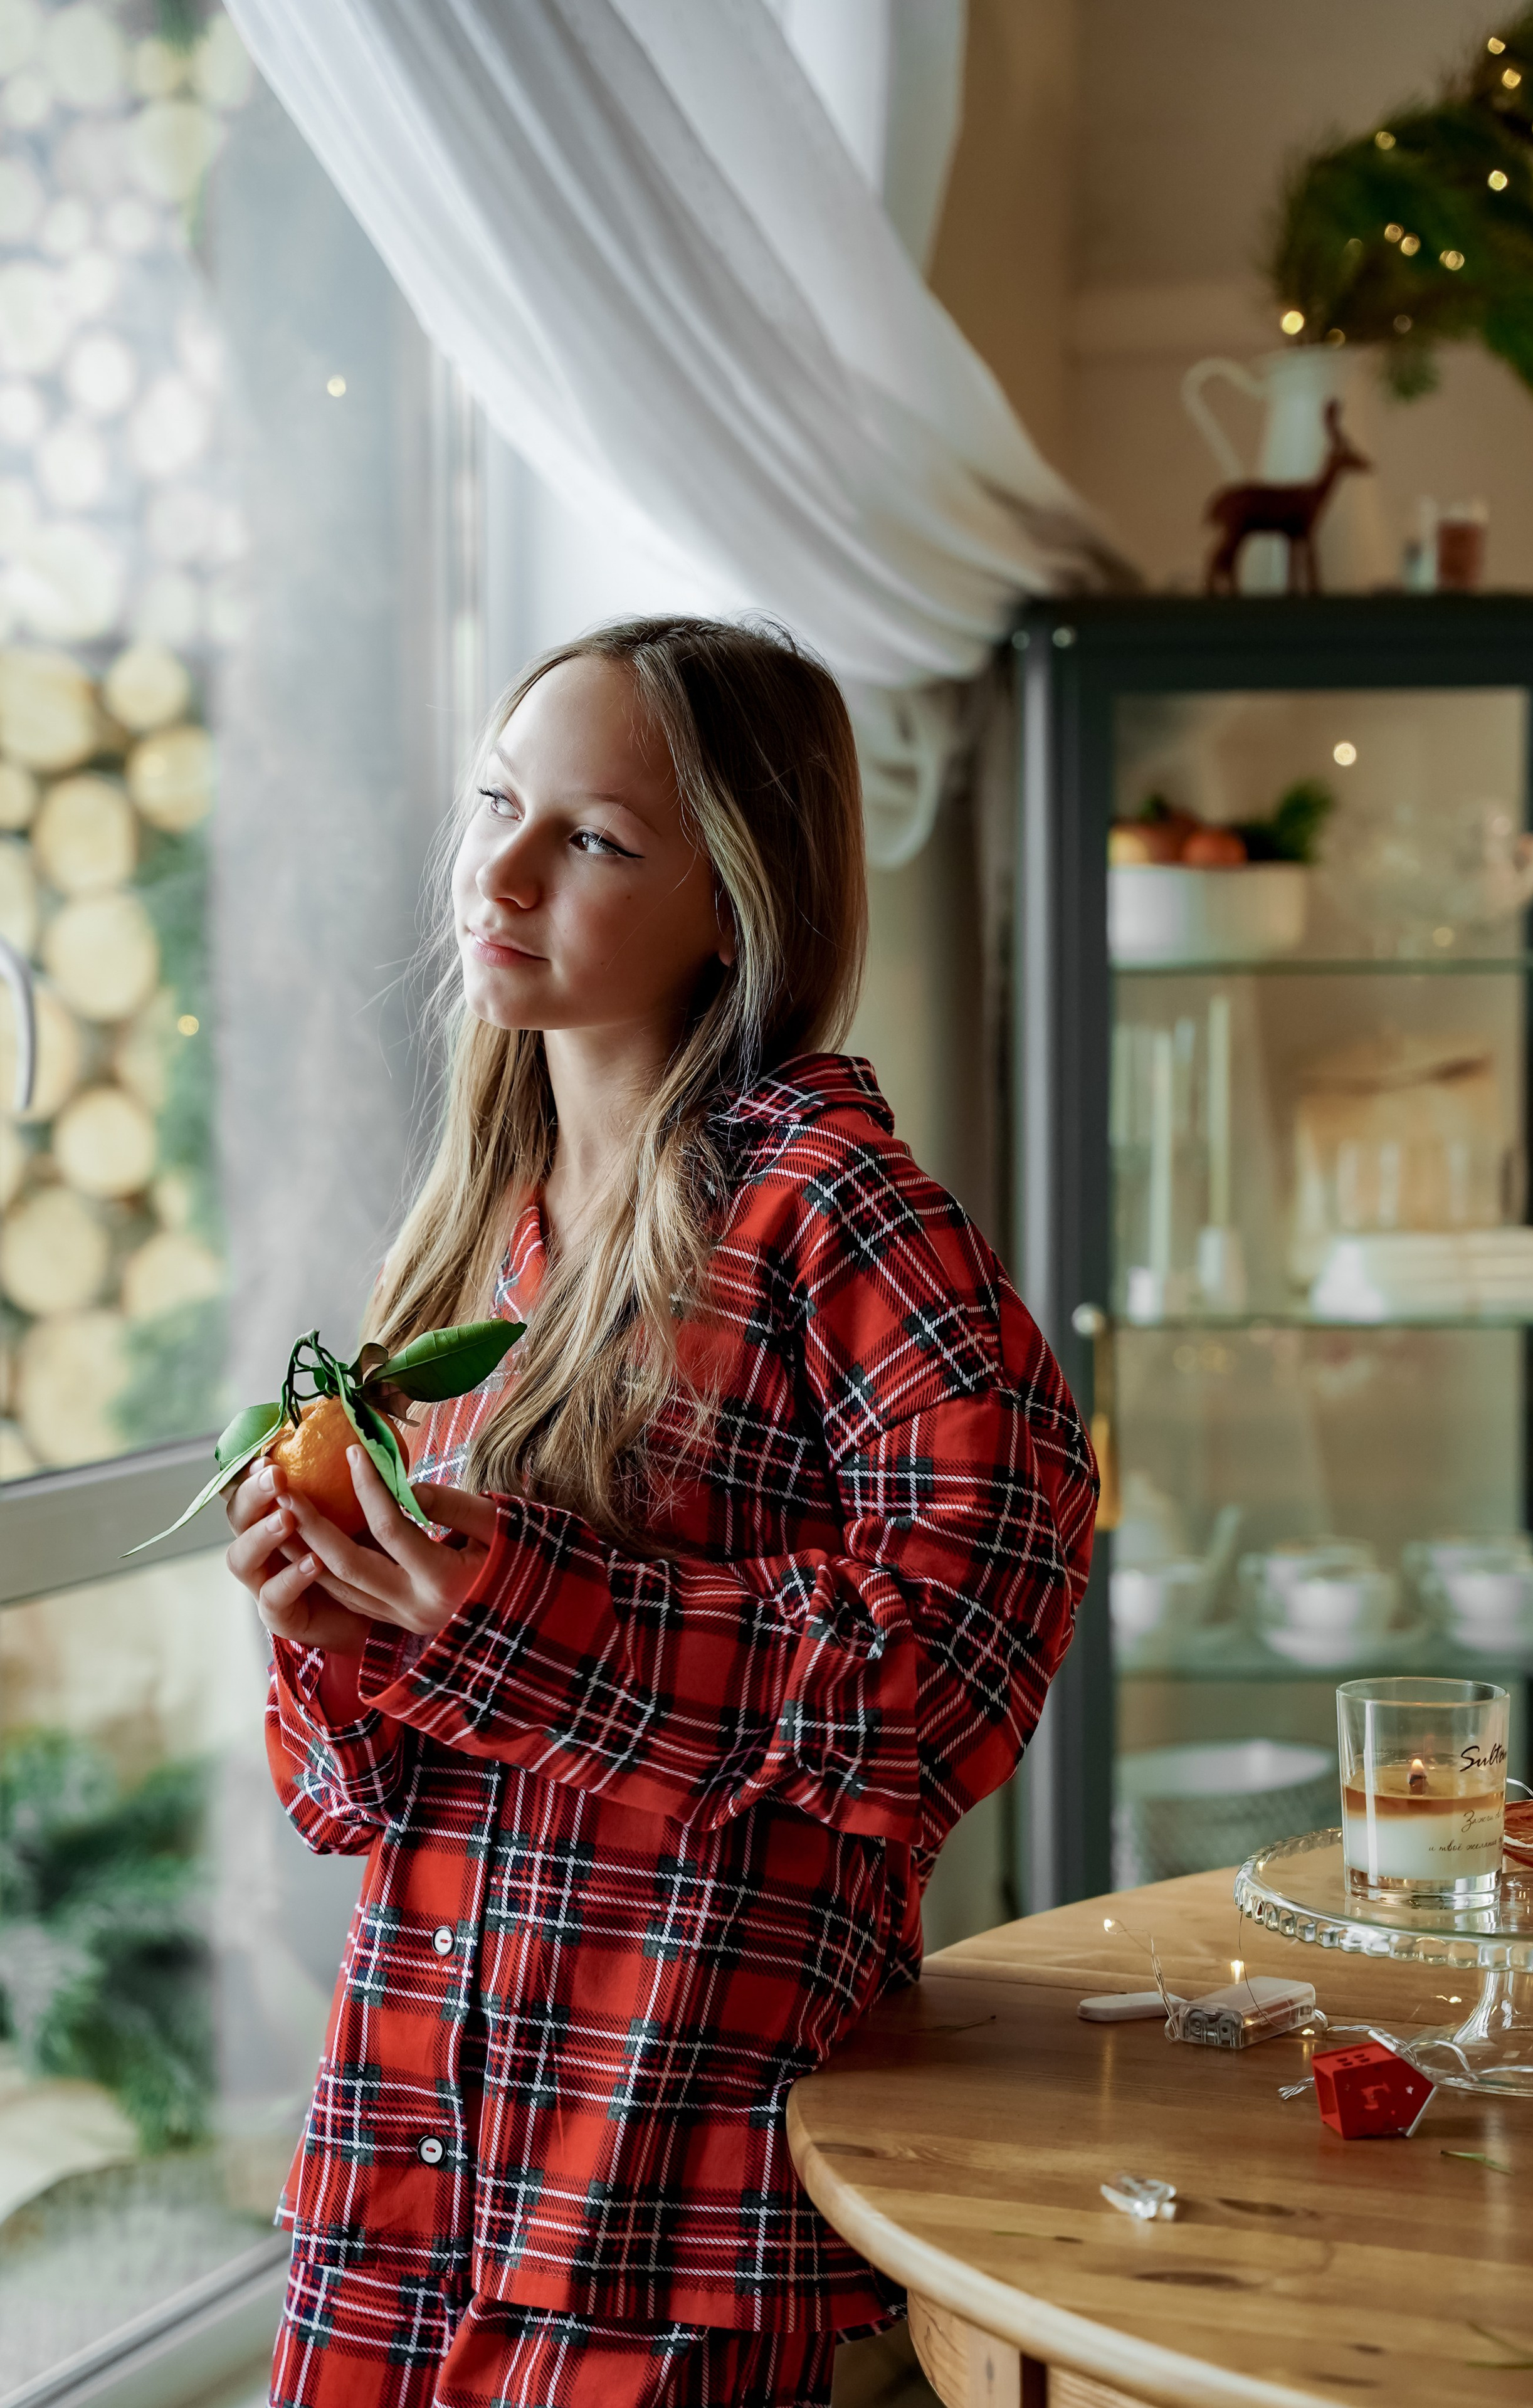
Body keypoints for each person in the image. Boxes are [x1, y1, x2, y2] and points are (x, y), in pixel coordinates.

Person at [225, 617, 1096, 2408]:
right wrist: (334, 1638)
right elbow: (365, 1797)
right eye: (497, 804)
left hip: (662, 2192)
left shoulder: (838, 1214)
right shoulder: (483, 1225)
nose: (504, 868)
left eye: (597, 838)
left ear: (739, 900)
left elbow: (952, 1673)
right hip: (416, 2162)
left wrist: (503, 1599)